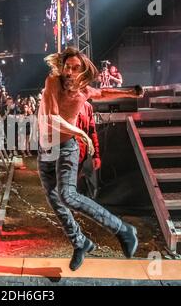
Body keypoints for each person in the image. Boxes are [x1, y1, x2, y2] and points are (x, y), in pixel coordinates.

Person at [38, 47, 138, 271]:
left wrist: (130, 93)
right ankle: (81, 243)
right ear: (62, 66)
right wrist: (80, 132)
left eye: (75, 68)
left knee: (68, 196)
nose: (70, 72)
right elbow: (52, 117)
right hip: (46, 150)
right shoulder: (53, 82)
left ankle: (122, 229)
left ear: (82, 72)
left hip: (66, 149)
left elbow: (103, 94)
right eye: (67, 67)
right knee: (55, 201)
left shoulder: (83, 92)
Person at [75, 99, 101, 199]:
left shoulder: (87, 106)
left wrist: (96, 155)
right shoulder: (62, 102)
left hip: (81, 155)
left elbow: (92, 131)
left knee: (73, 185)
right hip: (65, 154)